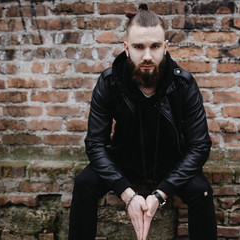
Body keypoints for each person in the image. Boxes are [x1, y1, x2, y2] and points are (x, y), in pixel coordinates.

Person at [68, 3, 217, 240]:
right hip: (123, 161)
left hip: (170, 163)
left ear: (165, 47)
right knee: (84, 183)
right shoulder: (109, 83)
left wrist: (160, 194)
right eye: (139, 47)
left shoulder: (183, 85)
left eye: (155, 46)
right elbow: (95, 144)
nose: (147, 56)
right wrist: (127, 194)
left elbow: (200, 146)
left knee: (202, 191)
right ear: (127, 48)